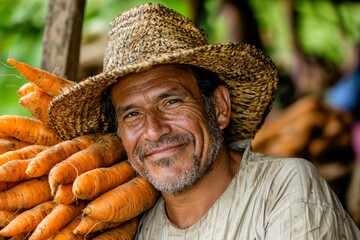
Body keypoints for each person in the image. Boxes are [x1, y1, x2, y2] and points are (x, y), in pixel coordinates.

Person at [48, 3, 360, 239]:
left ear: (220, 108)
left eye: (171, 101)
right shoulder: (136, 225)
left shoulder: (284, 188)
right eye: (132, 115)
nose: (154, 130)